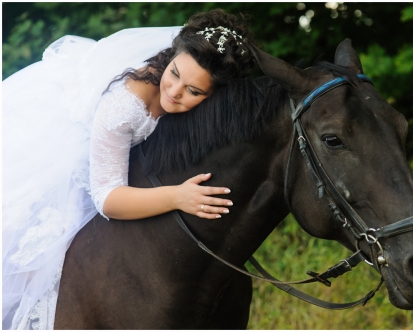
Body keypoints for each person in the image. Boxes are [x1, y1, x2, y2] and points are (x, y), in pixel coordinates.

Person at [2, 9, 256, 330]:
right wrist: (177, 196)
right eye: (175, 73)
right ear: (171, 56)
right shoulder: (125, 104)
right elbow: (107, 197)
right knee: (37, 245)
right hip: (66, 148)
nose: (175, 91)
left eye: (194, 91)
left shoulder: (202, 99)